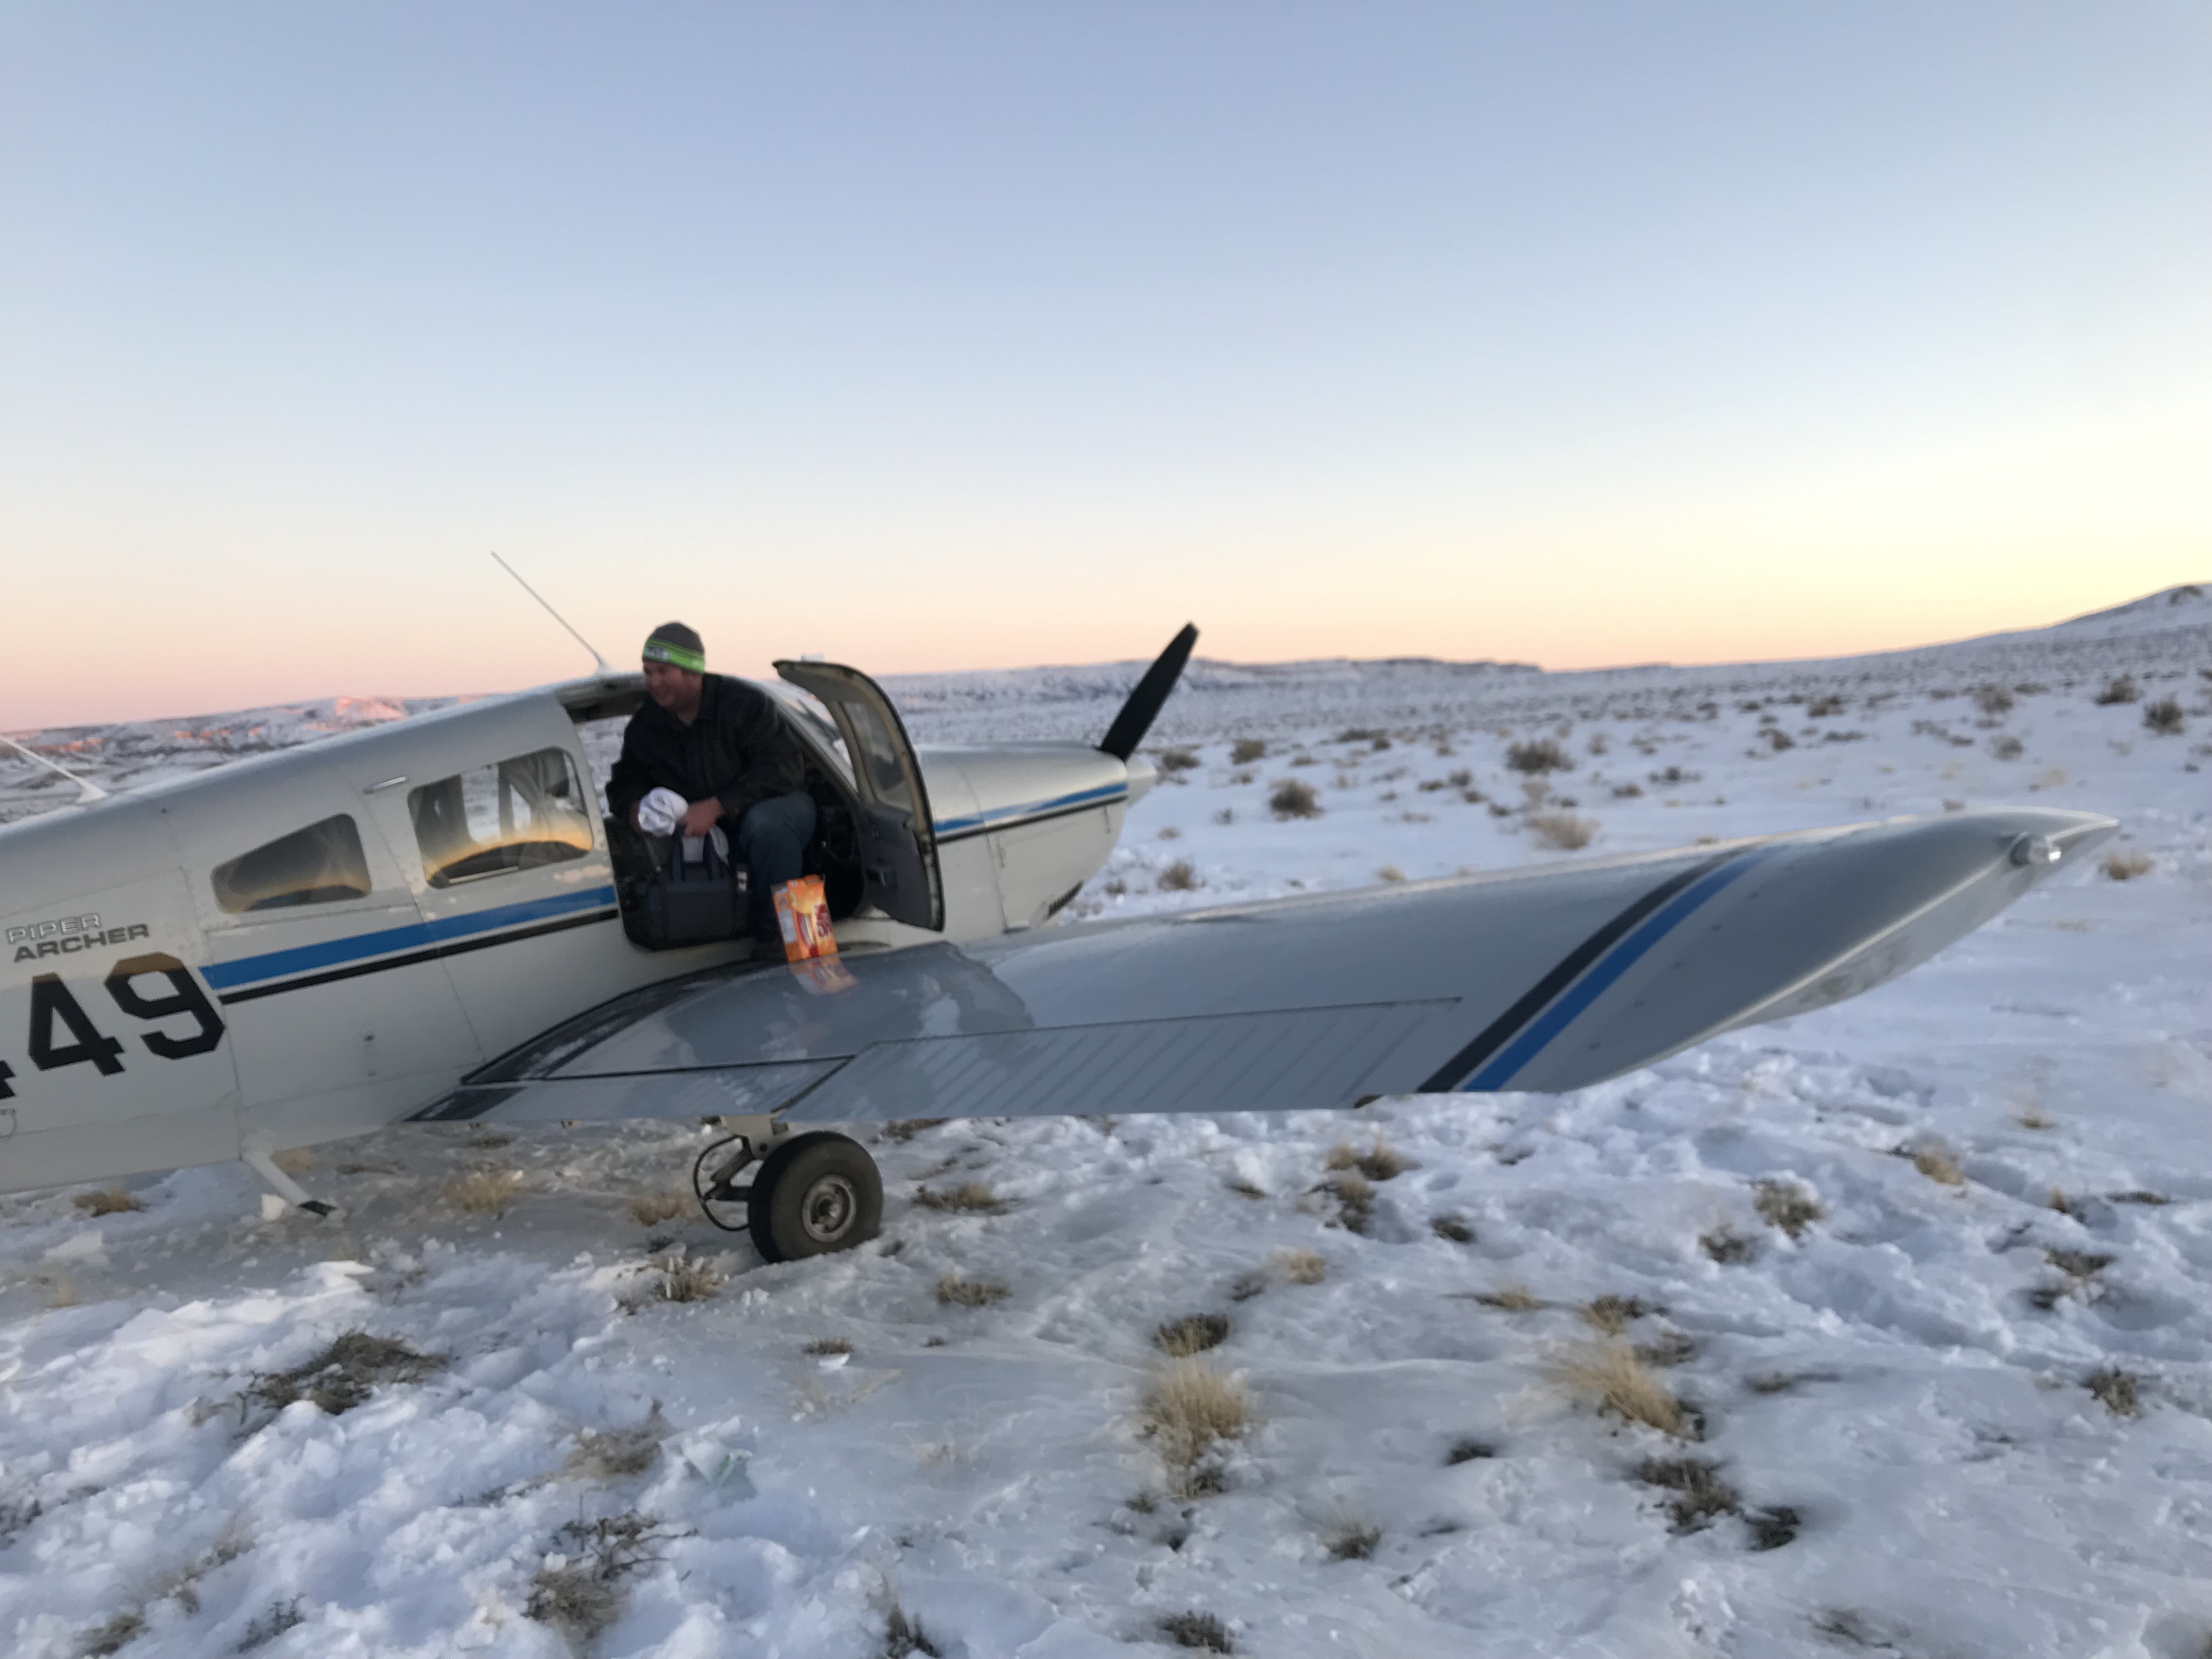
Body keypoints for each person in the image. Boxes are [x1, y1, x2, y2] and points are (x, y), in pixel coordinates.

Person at [606, 622, 816, 944]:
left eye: (663, 672)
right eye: (648, 672)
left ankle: (783, 940)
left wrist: (719, 805)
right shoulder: (645, 726)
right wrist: (636, 809)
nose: (653, 682)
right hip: (705, 830)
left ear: (693, 672)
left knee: (766, 825)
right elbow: (624, 781)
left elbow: (784, 769)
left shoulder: (744, 704)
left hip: (780, 807)